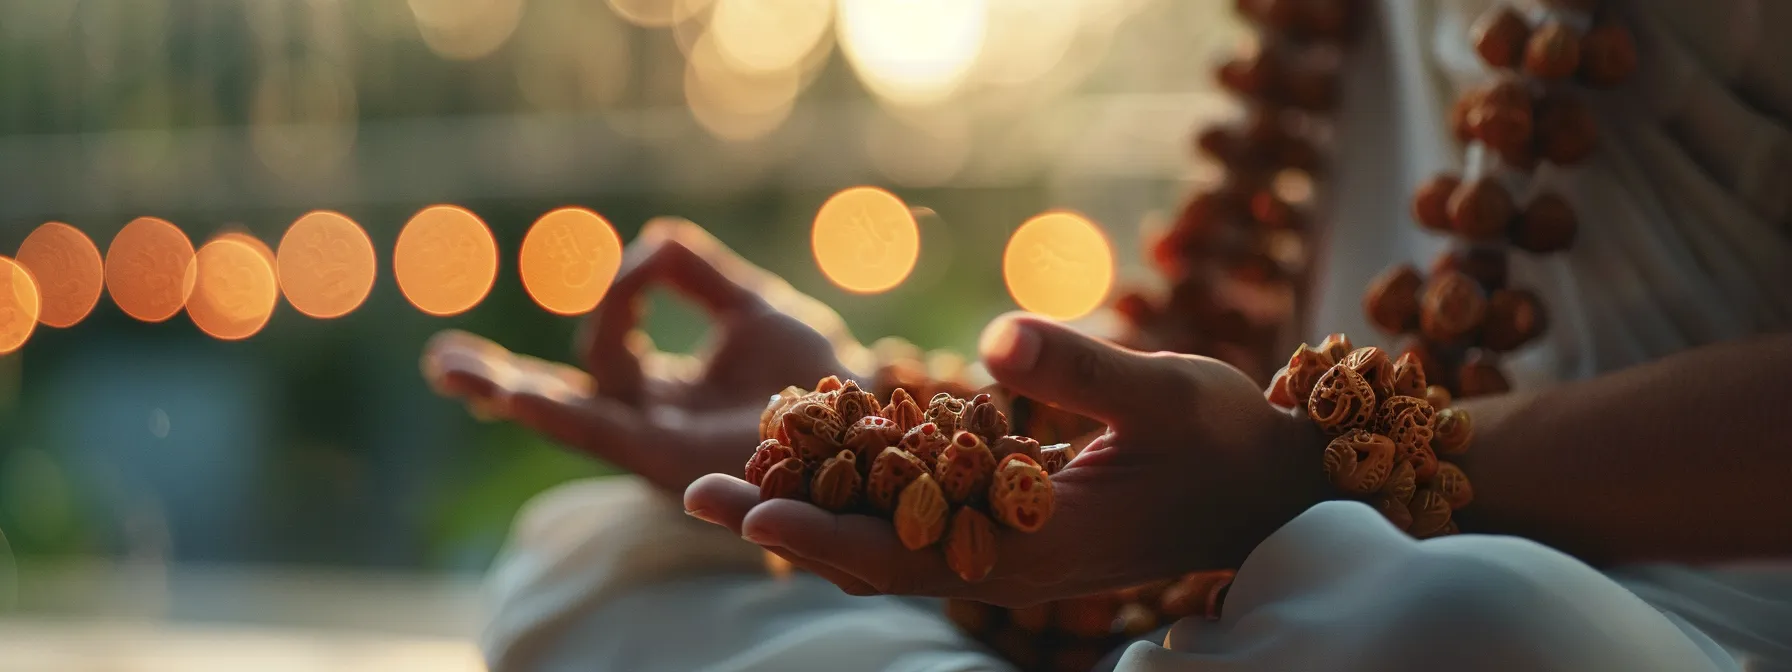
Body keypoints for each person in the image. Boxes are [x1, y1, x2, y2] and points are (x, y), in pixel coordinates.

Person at [427, 1, 1792, 670]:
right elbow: (1272, 364)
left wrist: (1313, 475)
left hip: (1685, 576)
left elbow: (1291, 456)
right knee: (609, 560)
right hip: (1276, 549)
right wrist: (901, 430)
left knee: (1443, 621)